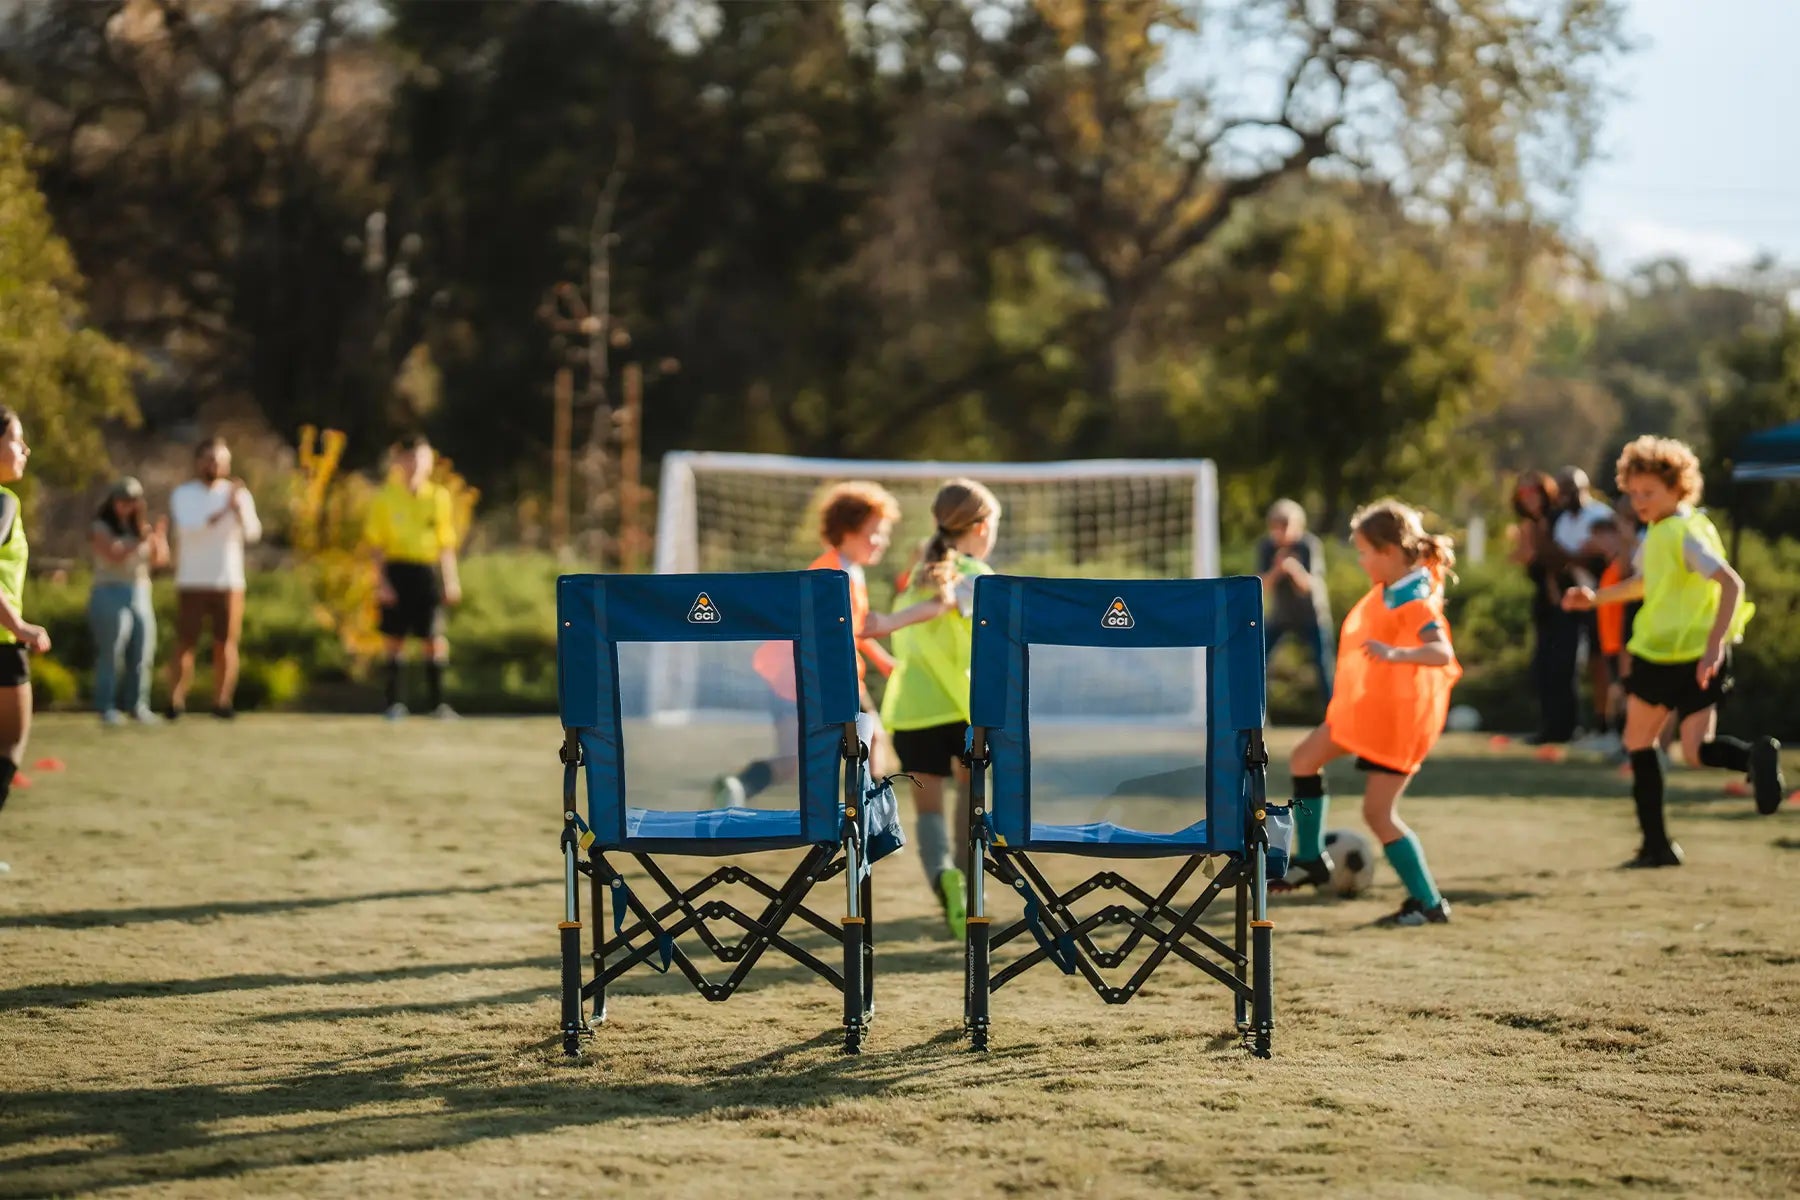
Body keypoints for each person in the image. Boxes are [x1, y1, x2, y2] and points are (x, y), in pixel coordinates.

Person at [1563, 436, 1785, 867]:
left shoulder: (1677, 534)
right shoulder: (1686, 526)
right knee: (1695, 751)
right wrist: (1596, 599)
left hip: (1670, 655)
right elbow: (1645, 584)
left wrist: (1712, 647)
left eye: (1649, 493)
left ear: (1678, 487)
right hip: (1699, 653)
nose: (1639, 502)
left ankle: (1656, 846)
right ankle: (1753, 756)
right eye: (1634, 493)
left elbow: (1730, 583)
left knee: (1638, 742)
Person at [1274, 498, 1461, 927]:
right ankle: (1310, 858)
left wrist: (1393, 652)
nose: (1360, 562)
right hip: (1370, 710)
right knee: (1304, 759)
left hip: (1398, 721)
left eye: (1363, 552)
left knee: (1378, 815)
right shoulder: (1395, 587)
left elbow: (1440, 652)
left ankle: (1428, 903)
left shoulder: (1414, 598)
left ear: (1389, 552)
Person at [714, 482, 948, 807]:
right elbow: (851, 628)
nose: (882, 540)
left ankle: (739, 786)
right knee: (874, 737)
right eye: (874, 532)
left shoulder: (841, 567)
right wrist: (923, 612)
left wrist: (879, 657)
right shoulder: (835, 574)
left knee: (796, 760)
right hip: (817, 677)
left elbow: (847, 627)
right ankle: (874, 815)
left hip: (787, 677)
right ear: (847, 530)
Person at [879, 478, 1001, 940]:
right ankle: (970, 893)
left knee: (926, 811)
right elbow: (950, 605)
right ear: (982, 526)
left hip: (912, 711)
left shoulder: (916, 572)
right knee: (971, 804)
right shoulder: (976, 574)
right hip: (964, 710)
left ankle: (941, 879)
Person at [364, 435, 463, 719]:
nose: (416, 465)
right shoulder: (385, 498)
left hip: (426, 572)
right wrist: (381, 582)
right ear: (400, 461)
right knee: (394, 639)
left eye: (422, 458)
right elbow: (376, 547)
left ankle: (438, 704)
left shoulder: (439, 497)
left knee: (433, 638)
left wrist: (450, 579)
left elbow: (446, 544)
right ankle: (394, 703)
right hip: (396, 571)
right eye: (411, 458)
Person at [168, 436, 262, 719]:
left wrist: (238, 508)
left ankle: (222, 702)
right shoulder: (184, 494)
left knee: (226, 644)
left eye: (220, 460)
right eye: (210, 459)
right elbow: (190, 528)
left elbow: (253, 532)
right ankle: (175, 701)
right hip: (192, 580)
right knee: (186, 642)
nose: (215, 465)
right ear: (199, 462)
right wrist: (224, 510)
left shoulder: (239, 495)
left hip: (229, 581)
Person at [0, 408, 53, 875]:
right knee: (11, 745)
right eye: (17, 440)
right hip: (1, 646)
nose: (25, 451)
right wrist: (19, 626)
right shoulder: (3, 502)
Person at [89, 477, 169, 725]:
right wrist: (140, 541)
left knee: (142, 653)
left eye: (132, 501)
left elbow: (160, 562)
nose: (127, 505)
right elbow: (113, 554)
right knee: (112, 652)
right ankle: (106, 706)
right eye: (122, 500)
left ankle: (138, 706)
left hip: (140, 592)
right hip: (109, 592)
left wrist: (159, 538)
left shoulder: (141, 528)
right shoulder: (101, 527)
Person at [1553, 467, 1618, 747]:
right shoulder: (1563, 522)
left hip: (1606, 596)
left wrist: (1573, 557)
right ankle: (1598, 720)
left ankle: (1612, 725)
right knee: (1590, 664)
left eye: (1574, 489)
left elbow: (1600, 558)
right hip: (1579, 599)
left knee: (1608, 662)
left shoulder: (1600, 515)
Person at [1508, 470, 1574, 744]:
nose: (1529, 498)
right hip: (1544, 605)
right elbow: (1520, 558)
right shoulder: (1529, 525)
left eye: (1533, 491)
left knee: (1563, 668)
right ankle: (1549, 727)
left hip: (1567, 602)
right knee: (1543, 668)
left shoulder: (1560, 520)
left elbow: (1561, 559)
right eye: (1523, 493)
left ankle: (1566, 727)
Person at [1255, 499, 1333, 710]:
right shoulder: (1266, 547)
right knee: (1257, 661)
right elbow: (1262, 586)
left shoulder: (1308, 545)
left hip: (1311, 615)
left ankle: (1333, 716)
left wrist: (1294, 569)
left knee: (1323, 666)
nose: (1282, 532)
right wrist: (1277, 570)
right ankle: (1256, 714)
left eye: (1287, 526)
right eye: (1277, 527)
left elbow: (1308, 587)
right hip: (1280, 616)